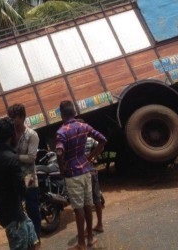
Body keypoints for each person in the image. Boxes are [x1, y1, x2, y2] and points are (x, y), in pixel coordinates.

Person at [56, 101, 106, 250]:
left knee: (78, 209)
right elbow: (103, 140)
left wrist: (62, 168)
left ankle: (81, 244)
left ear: (62, 114)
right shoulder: (84, 126)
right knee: (87, 205)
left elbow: (59, 152)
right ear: (74, 112)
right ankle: (90, 238)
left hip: (73, 173)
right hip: (86, 171)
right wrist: (90, 156)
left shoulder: (61, 132)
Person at [0, 117, 40, 250]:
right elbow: (21, 190)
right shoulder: (11, 159)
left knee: (35, 242)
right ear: (13, 134)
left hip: (6, 208)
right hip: (13, 213)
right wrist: (27, 180)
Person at [8, 103, 41, 239]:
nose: (11, 121)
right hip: (15, 177)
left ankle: (37, 236)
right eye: (10, 118)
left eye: (13, 118)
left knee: (32, 207)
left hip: (29, 176)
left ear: (21, 117)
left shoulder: (31, 135)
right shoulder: (10, 134)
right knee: (18, 209)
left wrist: (14, 157)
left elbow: (32, 157)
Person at [85, 136, 104, 233]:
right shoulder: (90, 139)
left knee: (85, 201)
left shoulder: (76, 140)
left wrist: (92, 156)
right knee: (96, 198)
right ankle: (99, 224)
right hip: (91, 169)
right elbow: (101, 146)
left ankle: (88, 229)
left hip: (82, 172)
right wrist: (94, 156)